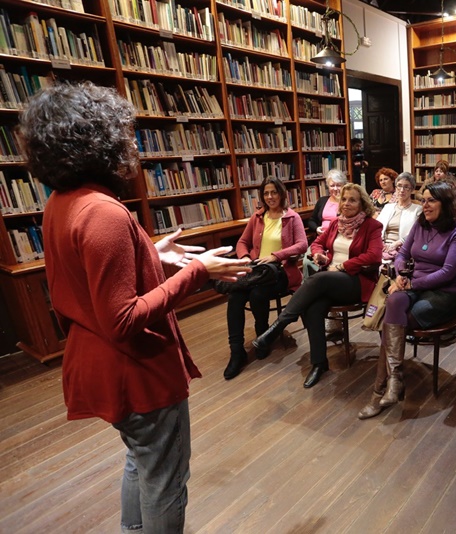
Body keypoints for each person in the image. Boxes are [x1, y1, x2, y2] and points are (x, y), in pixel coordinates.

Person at [20, 82, 249, 533]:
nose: (133, 144)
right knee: (166, 479)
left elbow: (89, 275)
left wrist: (148, 251)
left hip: (97, 365)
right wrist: (197, 271)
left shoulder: (61, 203)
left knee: (141, 460)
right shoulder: (103, 211)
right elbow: (122, 319)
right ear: (101, 140)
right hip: (134, 372)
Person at [358, 181, 456, 419]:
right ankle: (395, 380)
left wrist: (412, 283)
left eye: (431, 200)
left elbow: (449, 273)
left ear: (446, 203)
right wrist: (400, 276)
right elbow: (402, 254)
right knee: (394, 303)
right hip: (413, 287)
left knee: (391, 322)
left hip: (443, 294)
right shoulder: (420, 226)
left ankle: (379, 391)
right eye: (424, 199)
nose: (425, 205)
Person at [252, 183, 382, 388]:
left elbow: (374, 256)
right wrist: (318, 254)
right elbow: (316, 243)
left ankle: (279, 325)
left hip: (357, 282)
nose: (347, 203)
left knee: (317, 279)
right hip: (330, 281)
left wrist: (342, 266)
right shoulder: (335, 224)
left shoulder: (371, 226)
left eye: (352, 200)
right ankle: (319, 363)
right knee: (313, 307)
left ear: (362, 203)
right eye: (344, 199)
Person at [223, 176, 308, 380]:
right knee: (234, 295)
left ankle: (263, 336)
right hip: (256, 271)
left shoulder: (291, 217)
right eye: (266, 193)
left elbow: (302, 245)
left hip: (280, 272)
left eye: (274, 192)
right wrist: (244, 258)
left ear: (281, 194)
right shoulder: (257, 217)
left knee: (257, 294)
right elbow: (242, 242)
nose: (270, 197)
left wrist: (276, 256)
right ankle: (237, 351)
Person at [305, 169, 347, 277]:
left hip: (337, 240)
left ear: (344, 186)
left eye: (339, 185)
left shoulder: (346, 203)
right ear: (328, 187)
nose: (336, 189)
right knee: (307, 262)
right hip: (320, 240)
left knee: (326, 264)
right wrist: (316, 228)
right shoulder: (322, 201)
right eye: (332, 185)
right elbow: (311, 220)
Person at [376, 172, 422, 260]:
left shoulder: (417, 210)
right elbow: (376, 228)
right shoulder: (388, 207)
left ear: (412, 189)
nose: (402, 190)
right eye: (399, 186)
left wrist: (398, 243)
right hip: (383, 246)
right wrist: (381, 243)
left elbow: (418, 233)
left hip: (403, 248)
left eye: (406, 187)